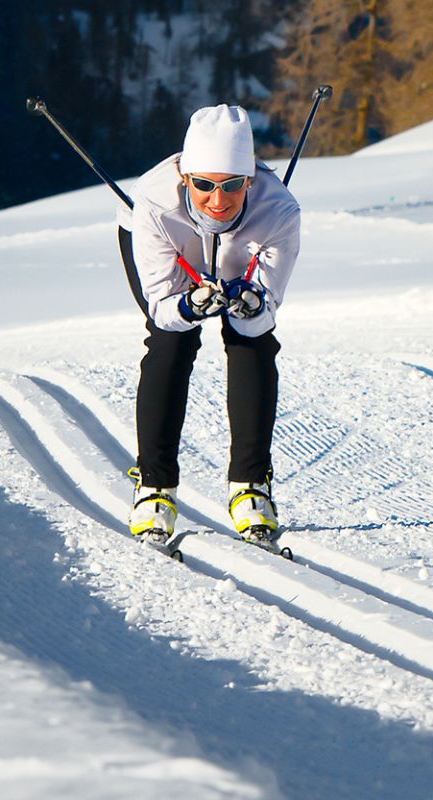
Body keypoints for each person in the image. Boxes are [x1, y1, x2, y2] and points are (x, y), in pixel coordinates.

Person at [117, 104, 301, 546]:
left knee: (250, 341)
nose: (217, 201)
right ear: (185, 177)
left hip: (242, 251)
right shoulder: (155, 202)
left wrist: (253, 304)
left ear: (250, 181)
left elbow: (265, 315)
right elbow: (163, 307)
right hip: (171, 243)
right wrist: (190, 305)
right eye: (203, 185)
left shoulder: (279, 212)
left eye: (233, 186)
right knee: (170, 344)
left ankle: (251, 487)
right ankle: (154, 488)